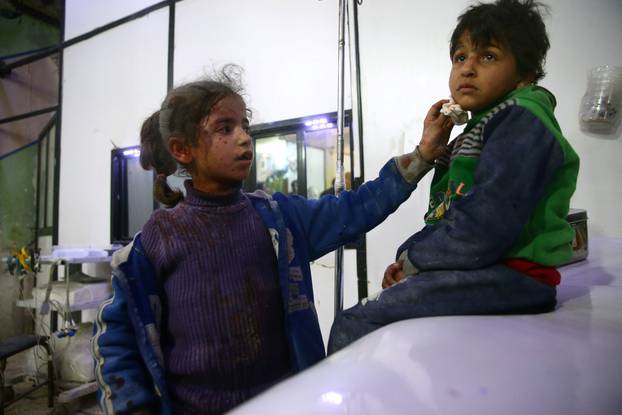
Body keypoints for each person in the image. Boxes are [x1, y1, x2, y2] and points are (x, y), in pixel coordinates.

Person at [92, 65, 453, 414]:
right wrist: (133, 407)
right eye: (224, 128)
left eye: (244, 126)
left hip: (287, 405)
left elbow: (355, 209)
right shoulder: (159, 238)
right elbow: (117, 337)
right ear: (183, 150)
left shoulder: (279, 220)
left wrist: (421, 157)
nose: (244, 137)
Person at [328, 0, 580, 354]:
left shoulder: (522, 118)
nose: (468, 69)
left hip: (515, 273)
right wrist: (407, 258)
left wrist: (416, 260)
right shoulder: (477, 130)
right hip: (490, 267)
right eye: (460, 57)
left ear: (524, 74)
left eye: (488, 56)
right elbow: (451, 213)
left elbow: (485, 224)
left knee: (356, 321)